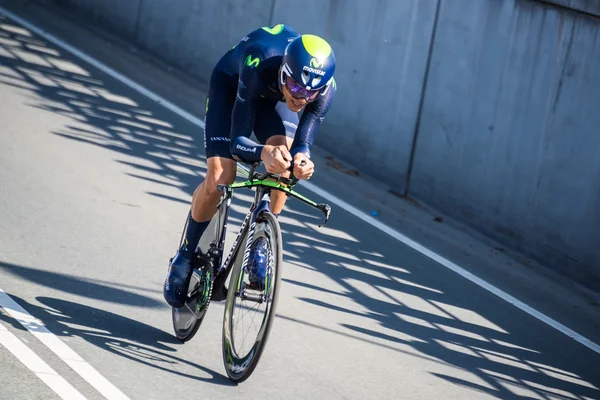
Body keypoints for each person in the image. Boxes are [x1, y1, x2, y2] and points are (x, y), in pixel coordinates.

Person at [163, 23, 337, 308]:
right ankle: (185, 254)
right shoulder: (258, 61)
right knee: (221, 175)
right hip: (234, 88)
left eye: (311, 94)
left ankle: (259, 244)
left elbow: (305, 139)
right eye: (295, 86)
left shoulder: (322, 90)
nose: (301, 98)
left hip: (271, 101)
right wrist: (261, 151)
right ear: (284, 72)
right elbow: (237, 141)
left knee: (285, 161)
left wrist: (301, 159)